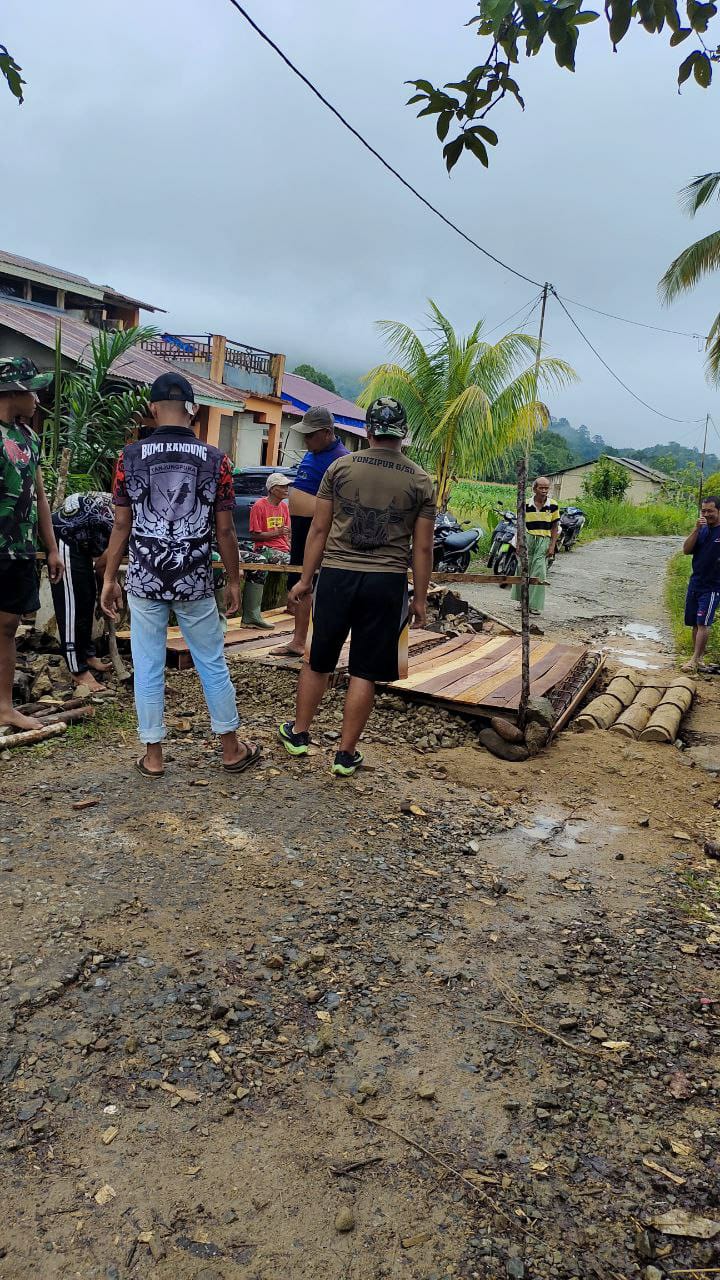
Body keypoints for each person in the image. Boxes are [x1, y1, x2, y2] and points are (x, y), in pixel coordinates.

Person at [100, 371, 260, 778]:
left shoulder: (129, 457)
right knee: (211, 661)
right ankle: (230, 749)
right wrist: (235, 580)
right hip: (194, 580)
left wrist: (109, 578)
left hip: (145, 578)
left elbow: (121, 525)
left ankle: (153, 756)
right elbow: (224, 530)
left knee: (148, 663)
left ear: (153, 409)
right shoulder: (215, 460)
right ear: (193, 410)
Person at [278, 396, 436, 777]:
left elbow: (318, 528)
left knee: (318, 659)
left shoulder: (340, 467)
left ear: (367, 430)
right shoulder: (419, 480)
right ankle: (345, 755)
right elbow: (424, 546)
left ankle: (299, 734)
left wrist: (304, 580)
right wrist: (420, 597)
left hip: (337, 576)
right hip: (386, 583)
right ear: (403, 433)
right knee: (364, 670)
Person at [0, 356, 64, 731]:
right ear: (14, 391)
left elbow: (39, 496)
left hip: (19, 548)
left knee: (8, 626)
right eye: (34, 391)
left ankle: (5, 706)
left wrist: (52, 547)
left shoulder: (29, 438)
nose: (39, 400)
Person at [270, 407, 348, 657]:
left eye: (310, 435)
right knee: (302, 583)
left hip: (321, 529)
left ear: (327, 433)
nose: (306, 440)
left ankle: (321, 642)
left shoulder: (341, 459)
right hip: (302, 528)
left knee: (317, 583)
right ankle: (298, 640)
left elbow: (343, 503)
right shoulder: (313, 452)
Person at [50, 491, 114, 691]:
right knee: (71, 603)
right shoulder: (134, 523)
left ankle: (87, 654)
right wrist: (112, 584)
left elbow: (106, 563)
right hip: (66, 534)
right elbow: (104, 564)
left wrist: (110, 584)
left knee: (86, 597)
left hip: (84, 539)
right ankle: (77, 669)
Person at [239, 472, 291, 629]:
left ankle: (293, 606)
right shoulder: (259, 505)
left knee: (303, 561)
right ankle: (252, 615)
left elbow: (288, 533)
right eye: (283, 486)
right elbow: (255, 536)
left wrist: (289, 543)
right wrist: (277, 533)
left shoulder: (284, 507)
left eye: (287, 486)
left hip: (283, 548)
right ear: (273, 489)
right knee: (292, 563)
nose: (286, 489)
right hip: (265, 548)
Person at [681, 495, 720, 673]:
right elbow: (686, 550)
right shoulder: (702, 530)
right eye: (703, 511)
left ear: (718, 510)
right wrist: (696, 530)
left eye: (710, 511)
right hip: (696, 582)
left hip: (712, 587)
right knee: (695, 623)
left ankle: (695, 659)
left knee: (703, 623)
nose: (706, 514)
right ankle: (698, 658)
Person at [511, 475, 559, 615]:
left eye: (546, 488)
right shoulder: (525, 504)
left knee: (539, 571)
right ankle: (522, 602)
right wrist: (519, 542)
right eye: (541, 488)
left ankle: (534, 605)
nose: (544, 490)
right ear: (534, 489)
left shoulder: (553, 505)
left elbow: (555, 527)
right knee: (522, 568)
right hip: (528, 538)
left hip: (544, 539)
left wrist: (552, 546)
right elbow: (520, 525)